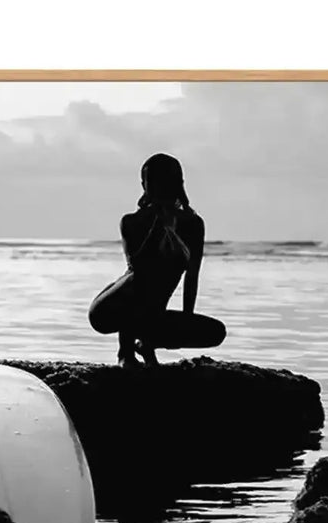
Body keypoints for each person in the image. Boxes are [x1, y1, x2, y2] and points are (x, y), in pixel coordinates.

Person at [88, 153, 226, 367]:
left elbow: (192, 276)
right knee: (138, 281)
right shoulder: (132, 222)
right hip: (110, 309)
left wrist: (186, 322)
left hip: (151, 315)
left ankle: (147, 343)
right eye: (148, 182)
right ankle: (126, 352)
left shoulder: (193, 224)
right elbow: (139, 270)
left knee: (216, 333)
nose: (152, 187)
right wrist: (159, 228)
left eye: (158, 181)